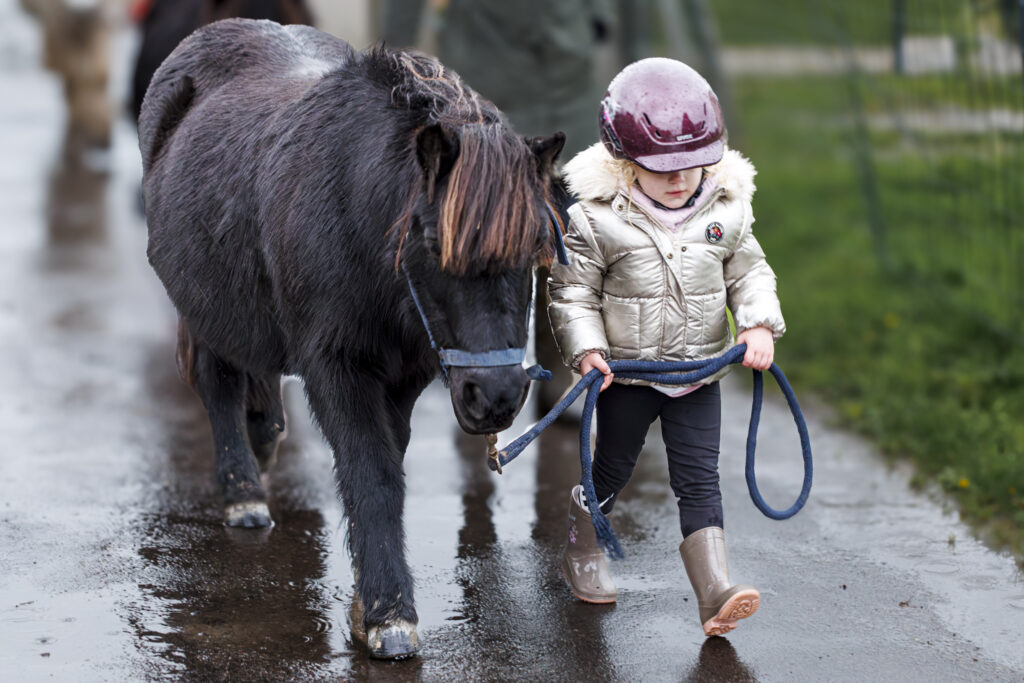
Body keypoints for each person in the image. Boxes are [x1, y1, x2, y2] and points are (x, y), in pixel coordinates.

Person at [547, 57, 785, 637]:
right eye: (661, 170)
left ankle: (714, 595)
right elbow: (572, 293)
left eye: (694, 166)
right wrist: (587, 352)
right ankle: (582, 545)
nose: (680, 180)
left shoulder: (726, 209)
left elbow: (750, 274)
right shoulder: (596, 220)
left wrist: (756, 325)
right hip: (626, 377)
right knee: (611, 470)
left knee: (700, 479)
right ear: (622, 162)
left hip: (699, 374)